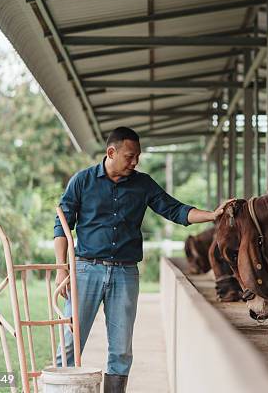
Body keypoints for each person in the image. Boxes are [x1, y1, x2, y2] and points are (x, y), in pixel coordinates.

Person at [53, 127, 227, 392]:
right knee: (69, 341)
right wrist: (60, 269)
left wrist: (212, 215)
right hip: (85, 270)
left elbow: (175, 209)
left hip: (125, 274)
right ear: (111, 152)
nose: (135, 162)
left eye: (138, 156)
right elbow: (62, 224)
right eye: (129, 156)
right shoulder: (82, 181)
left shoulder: (143, 184)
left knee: (121, 350)